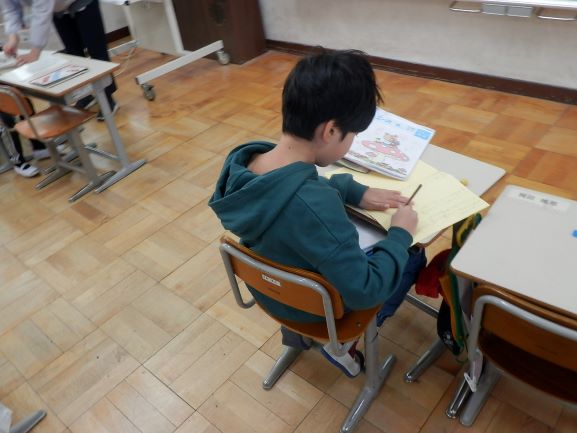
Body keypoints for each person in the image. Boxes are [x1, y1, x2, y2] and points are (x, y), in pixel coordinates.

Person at [209, 50, 426, 377]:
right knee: (413, 257)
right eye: (353, 135)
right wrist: (400, 234)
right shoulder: (315, 207)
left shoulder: (246, 165)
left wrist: (355, 191)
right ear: (331, 131)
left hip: (270, 291)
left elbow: (294, 186)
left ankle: (297, 337)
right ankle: (344, 344)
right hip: (317, 309)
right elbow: (365, 289)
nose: (352, 142)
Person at [0, 0, 118, 120]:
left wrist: (35, 52)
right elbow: (11, 10)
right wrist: (13, 38)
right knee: (74, 55)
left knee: (97, 51)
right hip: (58, 10)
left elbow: (41, 12)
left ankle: (108, 97)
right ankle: (84, 96)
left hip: (83, 3)